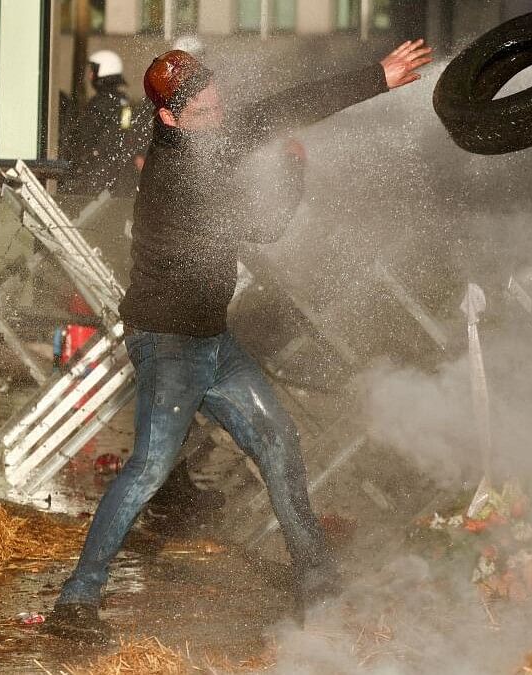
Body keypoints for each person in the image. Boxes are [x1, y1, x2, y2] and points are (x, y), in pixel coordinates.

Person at [41, 39, 433, 645]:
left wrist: (377, 78)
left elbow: (284, 107)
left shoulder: (207, 139)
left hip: (211, 340)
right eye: (202, 111)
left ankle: (320, 589)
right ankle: (78, 599)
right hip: (168, 342)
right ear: (170, 117)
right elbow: (264, 226)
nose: (216, 114)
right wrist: (296, 171)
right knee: (147, 468)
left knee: (278, 438)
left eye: (217, 103)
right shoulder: (181, 175)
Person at [61, 50, 141, 196]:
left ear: (103, 73)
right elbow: (124, 132)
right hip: (117, 175)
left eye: (93, 71)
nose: (90, 76)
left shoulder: (101, 104)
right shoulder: (124, 102)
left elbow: (83, 137)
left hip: (98, 176)